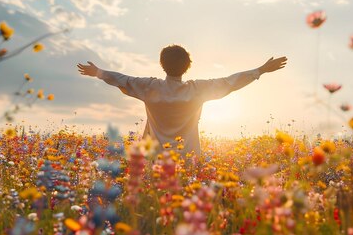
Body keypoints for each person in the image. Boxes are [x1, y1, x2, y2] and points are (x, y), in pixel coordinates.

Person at [77, 45, 287, 155]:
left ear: (162, 64)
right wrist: (260, 70)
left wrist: (98, 72)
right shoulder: (197, 90)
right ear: (187, 66)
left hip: (154, 159)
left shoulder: (149, 87)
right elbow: (230, 82)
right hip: (188, 158)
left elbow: (122, 80)